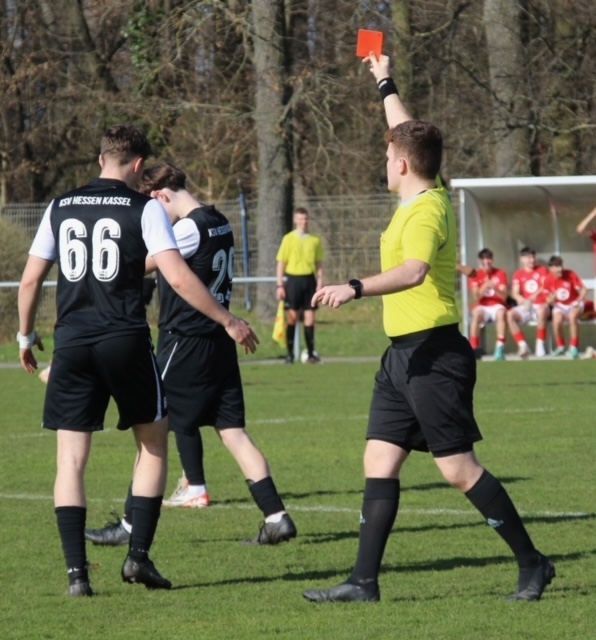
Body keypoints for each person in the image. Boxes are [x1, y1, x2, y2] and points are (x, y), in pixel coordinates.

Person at [302, 54, 554, 604]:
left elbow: (415, 272)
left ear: (400, 165)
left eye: (387, 155)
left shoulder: (425, 212)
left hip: (435, 355)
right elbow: (406, 131)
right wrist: (383, 79)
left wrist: (354, 286)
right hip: (401, 358)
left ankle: (534, 563)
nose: (384, 158)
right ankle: (363, 583)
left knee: (458, 469)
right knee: (379, 460)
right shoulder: (428, 185)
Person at [17, 125, 257, 597]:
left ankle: (77, 576)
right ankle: (138, 558)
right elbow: (179, 277)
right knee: (153, 443)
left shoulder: (59, 206)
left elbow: (30, 281)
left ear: (100, 159)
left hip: (72, 342)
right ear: (139, 164)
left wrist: (25, 336)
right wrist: (228, 320)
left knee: (70, 461)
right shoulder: (144, 207)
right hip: (124, 340)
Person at [85, 162, 297, 547]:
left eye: (152, 208)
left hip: (186, 341)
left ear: (161, 195)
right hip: (218, 343)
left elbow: (140, 267)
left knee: (150, 429)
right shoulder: (220, 220)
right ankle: (276, 517)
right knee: (233, 431)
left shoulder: (185, 229)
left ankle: (130, 526)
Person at [276, 207, 325, 364]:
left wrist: (320, 283)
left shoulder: (315, 240)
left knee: (310, 318)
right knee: (292, 318)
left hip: (309, 280)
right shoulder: (288, 239)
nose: (304, 222)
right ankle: (290, 354)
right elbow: (281, 263)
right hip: (293, 281)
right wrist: (280, 285)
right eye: (301, 219)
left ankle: (311, 353)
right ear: (295, 220)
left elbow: (319, 264)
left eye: (306, 218)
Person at [506, 247, 550, 358]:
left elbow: (545, 286)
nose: (532, 260)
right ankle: (523, 346)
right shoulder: (518, 274)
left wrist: (533, 297)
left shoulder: (542, 270)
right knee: (510, 314)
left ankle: (540, 345)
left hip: (541, 305)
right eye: (529, 257)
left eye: (533, 257)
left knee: (541, 311)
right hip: (527, 306)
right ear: (522, 259)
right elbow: (515, 293)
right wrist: (522, 300)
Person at [542, 255, 587, 359]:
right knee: (556, 321)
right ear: (551, 269)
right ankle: (561, 346)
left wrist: (578, 300)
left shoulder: (570, 274)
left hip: (574, 303)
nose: (560, 269)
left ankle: (574, 347)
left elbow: (584, 290)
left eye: (561, 265)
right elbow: (547, 300)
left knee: (572, 316)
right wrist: (551, 299)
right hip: (560, 305)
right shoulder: (548, 279)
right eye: (557, 266)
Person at [468, 248, 509, 360]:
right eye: (484, 259)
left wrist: (495, 288)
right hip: (483, 306)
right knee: (476, 316)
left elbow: (504, 297)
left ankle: (500, 347)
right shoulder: (475, 274)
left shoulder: (500, 273)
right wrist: (484, 287)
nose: (487, 261)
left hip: (497, 304)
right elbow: (476, 297)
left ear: (492, 260)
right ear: (480, 261)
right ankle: (474, 348)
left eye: (489, 258)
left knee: (501, 313)